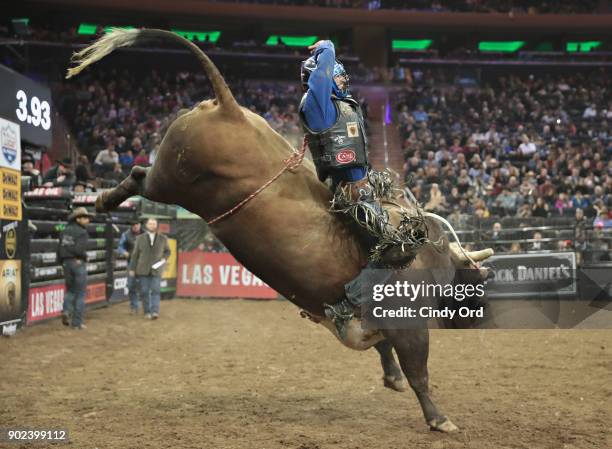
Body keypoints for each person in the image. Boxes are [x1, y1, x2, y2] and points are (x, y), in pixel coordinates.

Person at [298, 40, 429, 336]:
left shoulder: (332, 106)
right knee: (395, 251)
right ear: (325, 75)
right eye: (339, 74)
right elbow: (322, 69)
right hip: (352, 195)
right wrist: (328, 47)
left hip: (360, 188)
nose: (345, 79)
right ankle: (347, 306)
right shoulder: (317, 103)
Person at [58, 207, 94, 329]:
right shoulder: (82, 232)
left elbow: (59, 248)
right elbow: (79, 250)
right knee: (80, 293)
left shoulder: (65, 231)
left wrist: (62, 262)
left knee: (70, 290)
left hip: (66, 263)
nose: (87, 220)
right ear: (78, 219)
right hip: (77, 263)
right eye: (85, 218)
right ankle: (77, 323)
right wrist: (84, 256)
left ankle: (66, 310)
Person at [129, 218, 170, 320]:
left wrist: (164, 259)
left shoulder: (163, 238)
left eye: (154, 224)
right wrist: (132, 269)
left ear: (156, 225)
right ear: (146, 225)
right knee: (144, 291)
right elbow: (135, 255)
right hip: (142, 269)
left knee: (155, 290)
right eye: (150, 224)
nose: (152, 225)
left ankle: (155, 311)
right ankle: (147, 311)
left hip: (157, 270)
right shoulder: (140, 238)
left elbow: (167, 251)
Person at [118, 219, 142, 314]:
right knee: (131, 285)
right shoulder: (126, 235)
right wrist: (124, 252)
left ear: (140, 225)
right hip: (131, 263)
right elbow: (120, 247)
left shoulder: (145, 234)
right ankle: (134, 306)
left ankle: (147, 306)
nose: (135, 226)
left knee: (144, 285)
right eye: (133, 224)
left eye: (137, 224)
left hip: (144, 264)